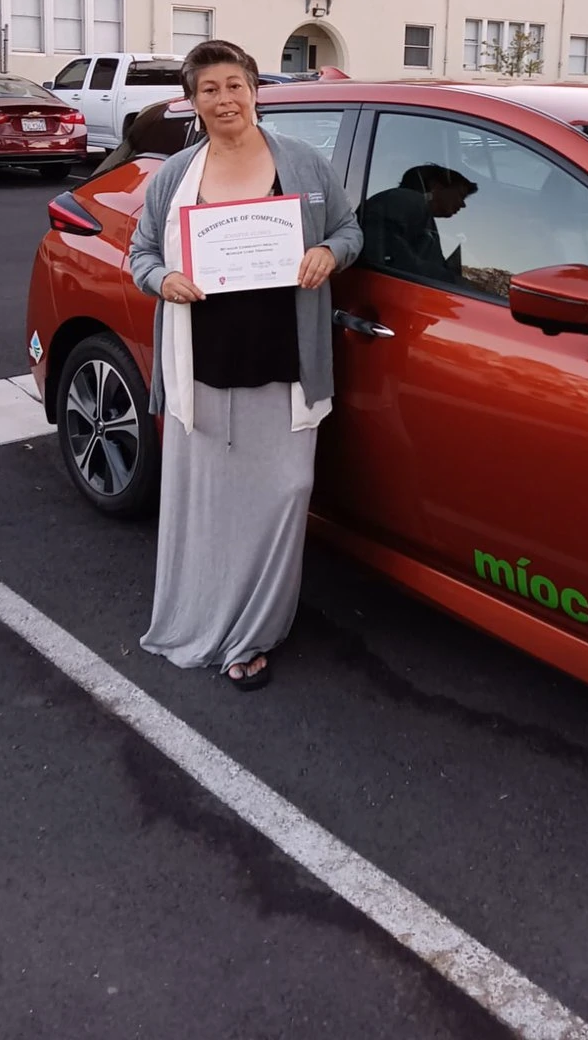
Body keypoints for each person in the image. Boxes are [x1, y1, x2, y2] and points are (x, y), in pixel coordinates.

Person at [128, 39, 362, 690]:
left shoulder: (305, 163)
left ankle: (253, 629)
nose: (225, 99)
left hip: (285, 364)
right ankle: (208, 620)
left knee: (282, 493)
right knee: (208, 505)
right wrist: (164, 279)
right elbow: (140, 253)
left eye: (235, 85)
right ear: (193, 101)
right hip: (202, 365)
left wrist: (330, 256)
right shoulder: (176, 175)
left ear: (256, 90)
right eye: (210, 89)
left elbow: (349, 230)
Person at [360, 164, 478, 282]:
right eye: (461, 195)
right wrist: (453, 280)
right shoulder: (406, 200)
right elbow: (391, 259)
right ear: (436, 186)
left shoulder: (422, 217)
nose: (463, 204)